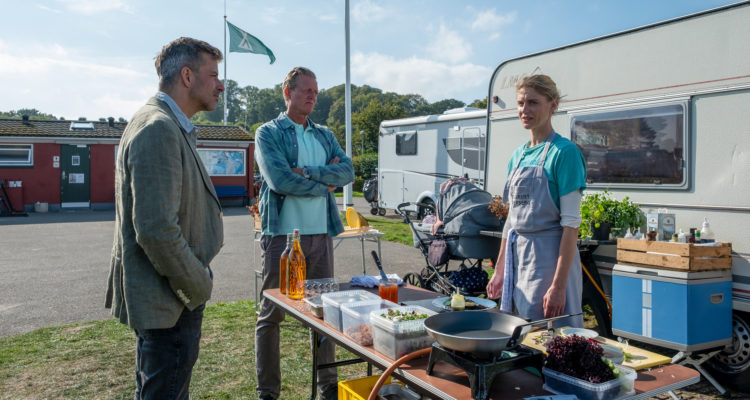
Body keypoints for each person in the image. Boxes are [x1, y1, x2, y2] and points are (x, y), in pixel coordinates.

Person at [105, 37, 225, 400]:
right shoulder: (158, 127)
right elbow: (156, 230)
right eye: (213, 74)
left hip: (171, 297)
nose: (220, 85)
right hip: (171, 300)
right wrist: (197, 285)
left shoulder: (166, 122)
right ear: (187, 76)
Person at [254, 66, 354, 400]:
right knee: (271, 316)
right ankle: (268, 392)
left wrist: (308, 173)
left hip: (321, 236)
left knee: (324, 313)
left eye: (316, 91)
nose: (312, 96)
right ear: (288, 92)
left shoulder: (324, 134)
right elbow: (279, 180)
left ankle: (328, 388)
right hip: (281, 238)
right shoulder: (267, 133)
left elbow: (348, 171)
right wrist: (323, 185)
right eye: (305, 90)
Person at [486, 74, 586, 328]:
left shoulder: (565, 153)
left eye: (533, 102)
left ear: (552, 105)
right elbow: (511, 221)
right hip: (518, 258)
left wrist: (558, 286)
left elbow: (571, 226)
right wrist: (500, 271)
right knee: (519, 331)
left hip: (549, 260)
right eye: (520, 103)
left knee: (550, 335)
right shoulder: (517, 156)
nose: (524, 110)